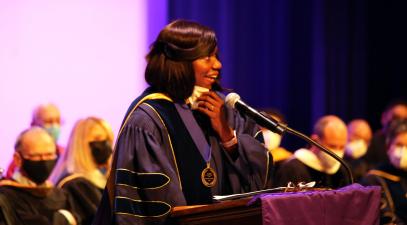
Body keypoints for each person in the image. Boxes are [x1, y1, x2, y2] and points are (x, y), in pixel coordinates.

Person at [93, 19, 272, 225]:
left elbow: (259, 182)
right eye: (207, 58)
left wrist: (227, 135)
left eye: (216, 56)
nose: (218, 65)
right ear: (182, 62)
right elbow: (151, 203)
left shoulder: (225, 108)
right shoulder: (148, 118)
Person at [0, 127, 79, 225]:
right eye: (36, 156)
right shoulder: (5, 197)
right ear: (17, 159)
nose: (44, 161)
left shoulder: (60, 195)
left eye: (49, 155)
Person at [51, 117, 114, 225]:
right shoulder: (75, 184)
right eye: (98, 140)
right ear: (81, 144)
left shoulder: (104, 177)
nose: (106, 145)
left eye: (108, 140)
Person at [274, 115, 349, 188]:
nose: (337, 153)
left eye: (342, 147)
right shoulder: (292, 169)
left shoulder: (342, 170)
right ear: (315, 141)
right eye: (332, 146)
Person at [360, 118, 407, 224]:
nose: (403, 151)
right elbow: (385, 219)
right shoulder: (373, 180)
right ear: (388, 146)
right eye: (399, 145)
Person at [5, 103, 64, 178]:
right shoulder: (22, 159)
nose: (55, 126)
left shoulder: (64, 154)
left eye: (58, 121)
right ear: (34, 124)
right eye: (49, 122)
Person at [364, 101, 407, 169]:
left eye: (404, 120)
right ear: (383, 117)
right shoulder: (372, 142)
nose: (400, 123)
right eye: (396, 117)